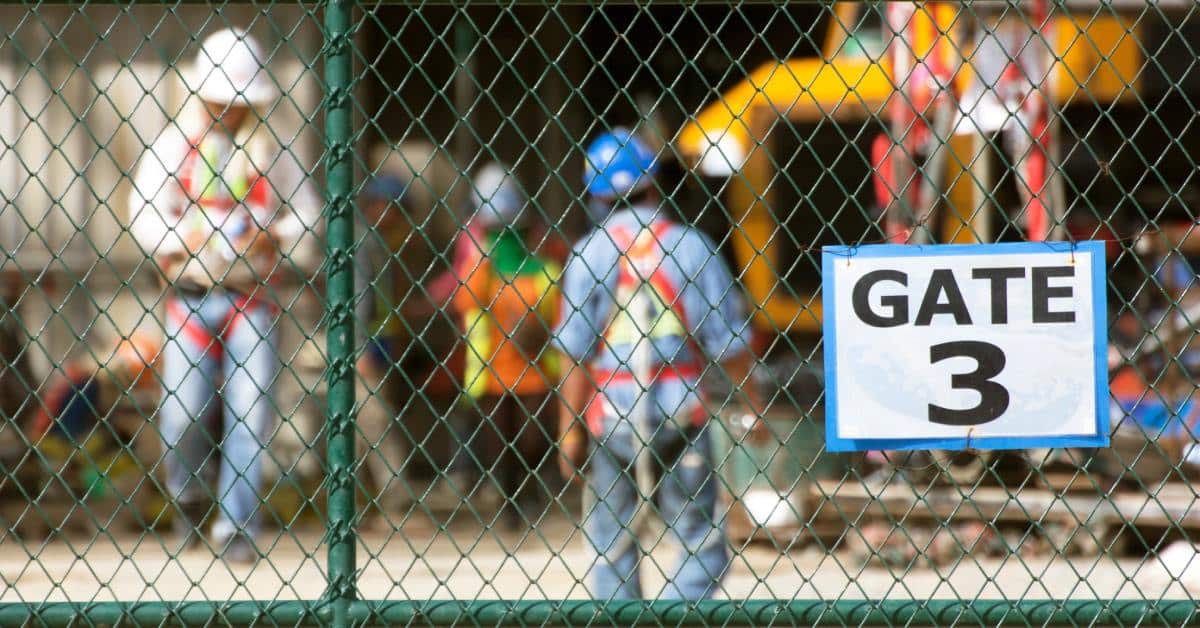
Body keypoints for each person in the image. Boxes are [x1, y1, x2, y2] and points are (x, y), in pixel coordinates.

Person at [127, 28, 320, 561]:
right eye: (222, 99)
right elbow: (142, 211)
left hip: (251, 298)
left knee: (250, 412)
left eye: (239, 101)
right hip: (190, 296)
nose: (230, 110)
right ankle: (188, 497)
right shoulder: (174, 144)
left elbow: (308, 213)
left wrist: (275, 235)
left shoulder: (272, 147)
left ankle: (236, 528)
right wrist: (178, 236)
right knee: (181, 414)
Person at [554, 128, 763, 599]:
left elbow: (574, 353)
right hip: (680, 411)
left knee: (612, 539)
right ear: (653, 184)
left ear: (595, 194)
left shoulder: (587, 254)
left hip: (612, 416)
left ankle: (620, 617)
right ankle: (680, 614)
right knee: (697, 536)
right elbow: (730, 345)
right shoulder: (693, 247)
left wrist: (569, 431)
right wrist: (755, 410)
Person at [451, 162, 561, 529]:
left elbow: (554, 317)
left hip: (535, 375)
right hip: (492, 375)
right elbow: (465, 301)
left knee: (531, 442)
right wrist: (482, 262)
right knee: (501, 447)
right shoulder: (480, 270)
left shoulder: (543, 271)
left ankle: (530, 492)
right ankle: (510, 504)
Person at [354, 172, 414, 528]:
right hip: (364, 350)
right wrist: (361, 348)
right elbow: (361, 297)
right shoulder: (366, 243)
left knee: (366, 426)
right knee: (376, 422)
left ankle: (363, 505)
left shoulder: (378, 242)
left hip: (379, 347)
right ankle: (396, 502)